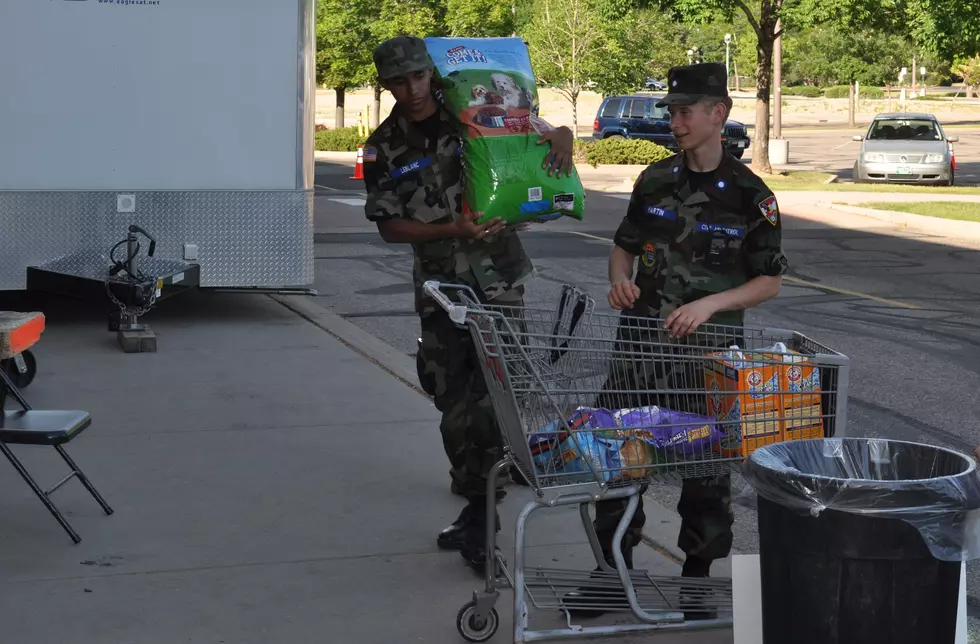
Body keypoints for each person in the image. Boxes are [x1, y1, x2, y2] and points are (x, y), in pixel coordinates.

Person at [563, 62, 789, 619]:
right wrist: (618, 279)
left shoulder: (749, 196)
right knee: (619, 455)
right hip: (639, 346)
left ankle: (697, 578)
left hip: (707, 355)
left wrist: (711, 303)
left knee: (705, 468)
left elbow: (770, 280)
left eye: (686, 111)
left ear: (719, 114)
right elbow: (624, 246)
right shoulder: (655, 179)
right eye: (672, 111)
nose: (676, 122)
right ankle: (612, 571)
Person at [361, 35, 576, 573]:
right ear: (386, 84)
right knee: (449, 396)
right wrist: (448, 228)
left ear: (430, 75)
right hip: (441, 290)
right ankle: (475, 491)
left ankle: (483, 516)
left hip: (498, 281)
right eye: (398, 81)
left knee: (494, 395)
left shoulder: (472, 113)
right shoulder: (384, 145)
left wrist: (564, 138)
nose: (411, 89)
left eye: (416, 77)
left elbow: (542, 130)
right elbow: (388, 227)